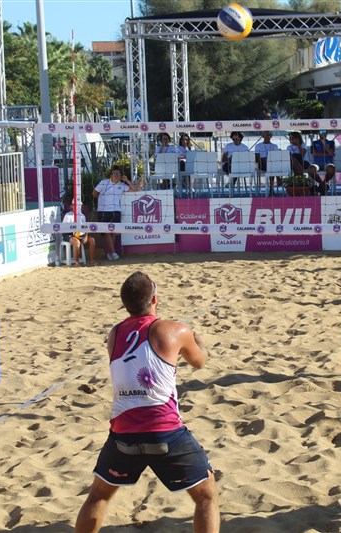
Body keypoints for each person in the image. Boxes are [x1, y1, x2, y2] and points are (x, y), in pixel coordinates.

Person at [74, 272, 219, 533]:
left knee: (99, 495)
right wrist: (199, 343)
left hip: (123, 434)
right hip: (165, 432)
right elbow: (199, 362)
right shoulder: (174, 329)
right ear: (155, 299)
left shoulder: (115, 333)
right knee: (206, 495)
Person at [93, 166, 142, 261]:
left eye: (118, 174)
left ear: (121, 175)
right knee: (106, 233)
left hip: (116, 211)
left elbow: (136, 190)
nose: (116, 175)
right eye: (114, 173)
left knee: (113, 233)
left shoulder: (122, 185)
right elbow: (94, 193)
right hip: (103, 211)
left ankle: (110, 253)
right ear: (111, 175)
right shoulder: (104, 182)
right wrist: (102, 199)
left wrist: (127, 180)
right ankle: (113, 252)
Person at [307, 130, 336, 195]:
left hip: (328, 162)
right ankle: (323, 184)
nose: (322, 134)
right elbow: (314, 153)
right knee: (310, 169)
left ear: (327, 133)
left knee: (331, 169)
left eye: (324, 132)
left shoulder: (331, 142)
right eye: (321, 132)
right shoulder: (314, 143)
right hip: (317, 163)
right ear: (318, 133)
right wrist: (327, 154)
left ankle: (322, 185)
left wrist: (324, 144)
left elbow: (332, 153)